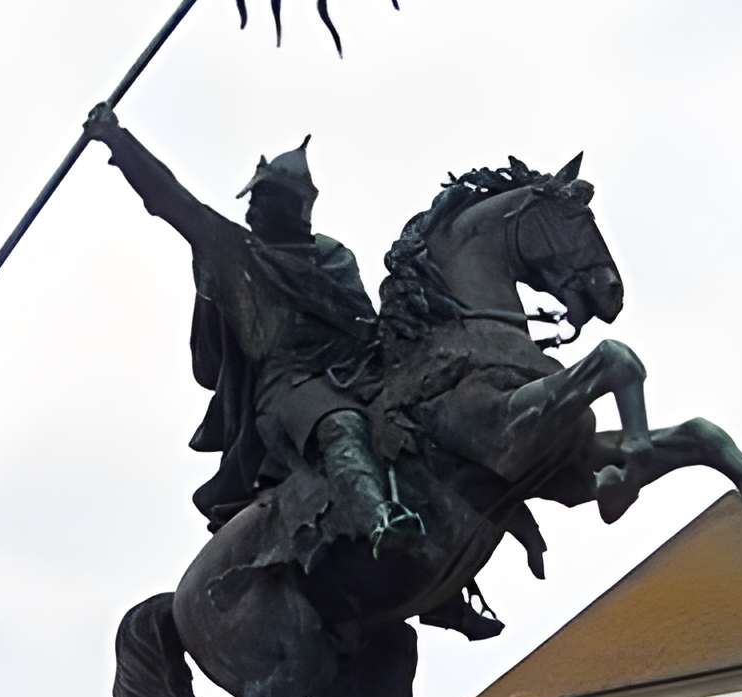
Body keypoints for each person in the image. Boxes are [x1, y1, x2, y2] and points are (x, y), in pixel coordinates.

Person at [83, 105, 503, 639]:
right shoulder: (236, 253)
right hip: (287, 386)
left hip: (352, 371)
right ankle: (383, 521)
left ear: (295, 207)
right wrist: (119, 142)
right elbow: (172, 202)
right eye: (252, 199)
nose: (252, 207)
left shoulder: (333, 257)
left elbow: (362, 322)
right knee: (340, 426)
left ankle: (449, 588)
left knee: (428, 423)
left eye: (263, 198)